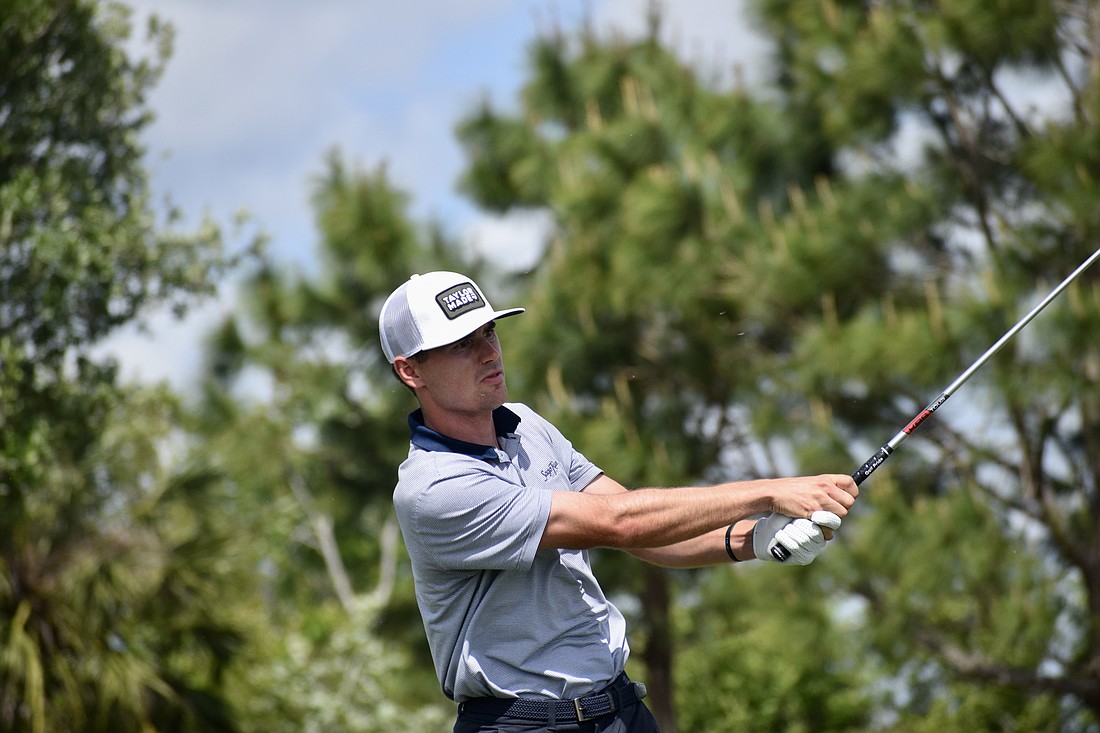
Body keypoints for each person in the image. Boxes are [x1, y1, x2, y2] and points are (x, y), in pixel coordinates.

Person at [379, 271, 859, 733]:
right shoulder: (435, 488)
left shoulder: (525, 425)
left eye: (489, 332)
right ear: (410, 370)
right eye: (463, 344)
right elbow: (619, 523)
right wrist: (768, 492)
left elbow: (648, 536)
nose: (489, 352)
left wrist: (756, 538)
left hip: (619, 709)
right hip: (518, 723)